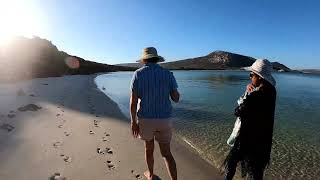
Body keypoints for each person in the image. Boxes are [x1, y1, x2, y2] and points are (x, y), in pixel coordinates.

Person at [130, 47, 180, 180]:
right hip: (164, 119)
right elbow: (176, 98)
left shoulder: (138, 74)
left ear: (144, 60)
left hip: (146, 119)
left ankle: (151, 175)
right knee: (167, 154)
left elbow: (133, 101)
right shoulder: (168, 74)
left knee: (149, 149)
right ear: (157, 59)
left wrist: (133, 121)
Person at [223, 59, 277, 180]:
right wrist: (251, 92)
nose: (250, 77)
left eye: (252, 75)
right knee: (256, 172)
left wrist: (248, 93)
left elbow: (237, 111)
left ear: (259, 77)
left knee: (233, 163)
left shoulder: (256, 95)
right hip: (262, 140)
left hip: (247, 139)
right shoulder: (271, 92)